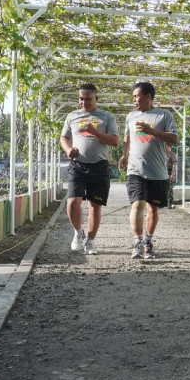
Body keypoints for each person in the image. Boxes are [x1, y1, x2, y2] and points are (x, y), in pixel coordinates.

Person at [118, 82, 179, 259]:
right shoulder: (131, 116)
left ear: (148, 96)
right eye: (133, 97)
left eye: (137, 96)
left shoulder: (164, 115)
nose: (134, 100)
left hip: (158, 172)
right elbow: (126, 139)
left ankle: (148, 241)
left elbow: (174, 138)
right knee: (137, 204)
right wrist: (123, 155)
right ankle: (137, 242)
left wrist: (152, 131)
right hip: (135, 170)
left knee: (153, 208)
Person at [60, 83, 120, 255]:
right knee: (72, 202)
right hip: (77, 166)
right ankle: (78, 232)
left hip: (99, 167)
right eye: (81, 98)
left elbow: (114, 141)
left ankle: (91, 241)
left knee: (95, 206)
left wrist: (95, 132)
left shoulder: (106, 117)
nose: (84, 102)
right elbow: (64, 137)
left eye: (88, 99)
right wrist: (68, 149)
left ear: (96, 99)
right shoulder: (72, 116)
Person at [164, 143, 177, 208]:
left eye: (165, 145)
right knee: (162, 187)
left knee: (169, 188)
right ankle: (163, 203)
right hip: (162, 171)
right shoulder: (162, 153)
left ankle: (170, 203)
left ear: (168, 145)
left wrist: (172, 174)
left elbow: (174, 165)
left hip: (169, 172)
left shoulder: (172, 154)